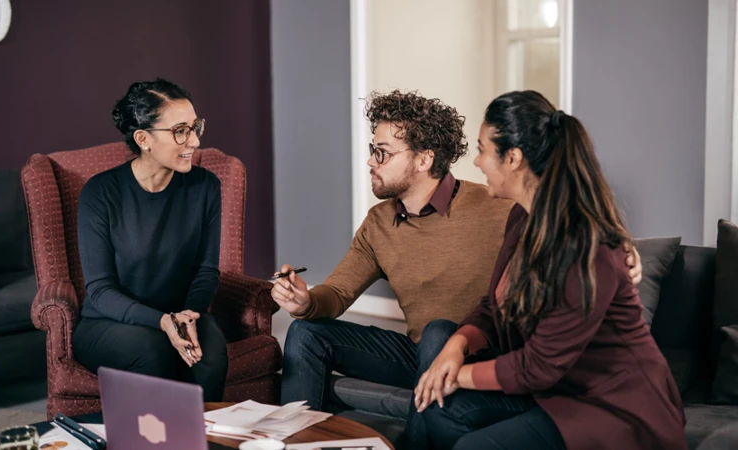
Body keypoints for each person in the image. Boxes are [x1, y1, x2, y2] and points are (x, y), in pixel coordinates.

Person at [272, 90, 643, 440]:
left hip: (483, 352)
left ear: (423, 159)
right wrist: (305, 302)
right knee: (308, 333)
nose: (370, 160)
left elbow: (570, 223)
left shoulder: (499, 205)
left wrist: (625, 245)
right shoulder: (379, 222)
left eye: (382, 152)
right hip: (421, 353)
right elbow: (337, 292)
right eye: (373, 149)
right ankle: (288, 444)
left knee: (439, 330)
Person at [413, 90, 686, 450]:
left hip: (615, 407)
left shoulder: (585, 245)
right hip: (555, 391)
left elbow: (538, 365)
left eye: (482, 150)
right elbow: (496, 308)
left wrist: (456, 374)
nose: (477, 162)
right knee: (439, 410)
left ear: (512, 158)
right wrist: (457, 345)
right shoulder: (522, 218)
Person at [71, 78, 228, 401]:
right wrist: (161, 321)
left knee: (210, 355)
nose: (194, 141)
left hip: (182, 313)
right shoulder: (100, 193)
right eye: (180, 130)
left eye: (195, 127)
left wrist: (188, 315)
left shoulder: (205, 187)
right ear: (143, 139)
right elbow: (100, 291)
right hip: (109, 323)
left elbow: (206, 269)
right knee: (153, 349)